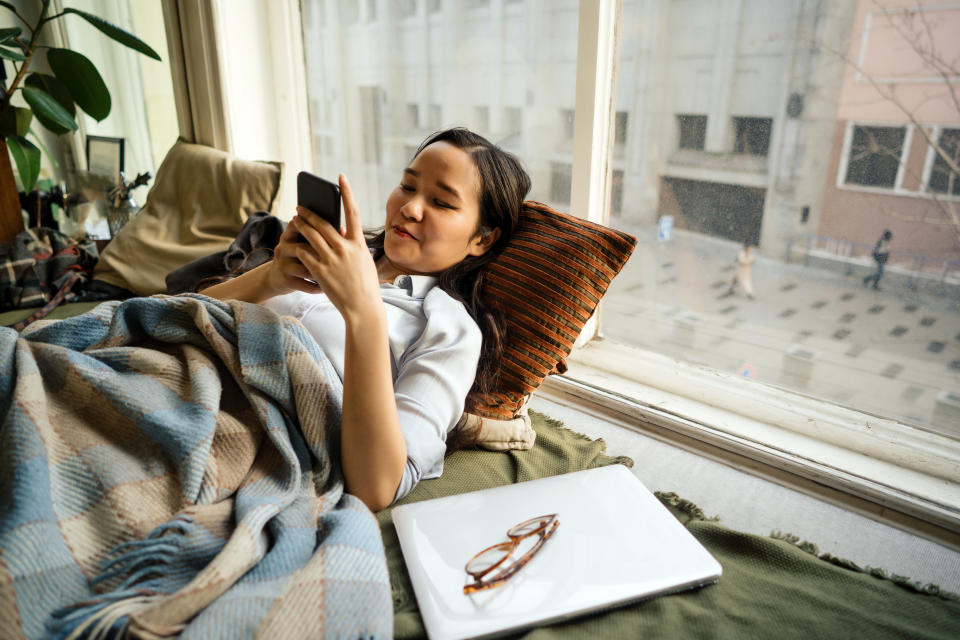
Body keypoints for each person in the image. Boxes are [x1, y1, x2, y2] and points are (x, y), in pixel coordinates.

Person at [201, 128, 530, 512]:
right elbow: (179, 312)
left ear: (482, 240)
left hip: (236, 429)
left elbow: (377, 486)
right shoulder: (333, 255)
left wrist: (364, 313)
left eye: (441, 202)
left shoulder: (448, 330)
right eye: (407, 186)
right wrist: (271, 276)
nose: (410, 208)